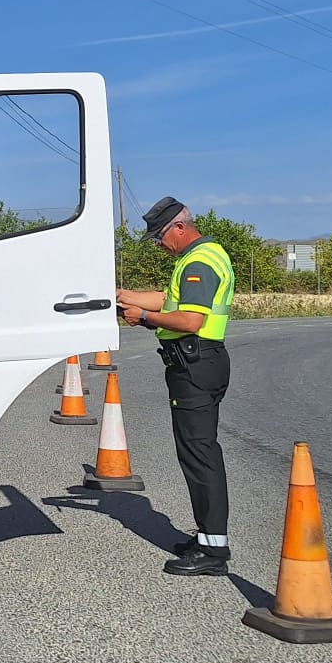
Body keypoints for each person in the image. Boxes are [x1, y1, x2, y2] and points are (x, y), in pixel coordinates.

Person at [116, 196, 236, 577]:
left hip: (195, 365)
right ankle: (207, 538)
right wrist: (122, 296)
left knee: (199, 455)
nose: (158, 244)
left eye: (160, 236)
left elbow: (189, 320)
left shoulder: (199, 262)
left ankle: (213, 550)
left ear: (180, 228)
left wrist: (144, 317)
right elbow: (170, 300)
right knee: (198, 451)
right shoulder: (199, 256)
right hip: (199, 364)